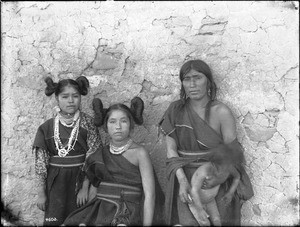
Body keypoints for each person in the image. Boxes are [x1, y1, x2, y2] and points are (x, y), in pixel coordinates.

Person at [158, 59, 254, 226]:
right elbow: (171, 151)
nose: (192, 84)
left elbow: (231, 155)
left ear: (209, 81)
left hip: (214, 179)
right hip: (185, 182)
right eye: (187, 79)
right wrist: (182, 182)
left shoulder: (221, 112)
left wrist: (217, 180)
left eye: (198, 78)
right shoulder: (175, 110)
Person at [63, 97, 156, 226]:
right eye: (112, 122)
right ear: (106, 126)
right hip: (101, 208)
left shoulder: (140, 153)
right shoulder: (100, 154)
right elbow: (95, 186)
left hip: (127, 210)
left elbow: (150, 195)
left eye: (123, 121)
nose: (118, 127)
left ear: (131, 125)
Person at [32, 76, 102, 226]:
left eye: (75, 96)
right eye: (65, 96)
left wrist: (85, 187)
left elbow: (94, 157)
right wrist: (41, 193)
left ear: (80, 98)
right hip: (56, 183)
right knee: (54, 220)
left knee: (80, 220)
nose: (71, 100)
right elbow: (40, 163)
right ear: (57, 98)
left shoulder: (88, 123)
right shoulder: (47, 127)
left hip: (80, 180)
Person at [189, 142, 245, 226]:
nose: (231, 167)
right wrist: (199, 209)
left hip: (211, 201)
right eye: (228, 164)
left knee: (217, 221)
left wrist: (230, 193)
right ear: (217, 164)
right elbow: (194, 191)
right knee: (205, 223)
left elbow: (237, 177)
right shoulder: (204, 171)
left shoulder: (228, 168)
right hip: (195, 202)